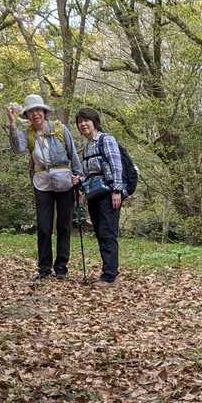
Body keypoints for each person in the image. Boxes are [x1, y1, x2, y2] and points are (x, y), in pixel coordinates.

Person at [7, 94, 83, 280]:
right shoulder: (28, 134)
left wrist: (79, 177)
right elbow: (18, 149)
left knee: (64, 226)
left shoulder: (60, 129)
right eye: (31, 112)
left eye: (38, 110)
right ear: (27, 116)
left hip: (65, 181)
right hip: (42, 182)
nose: (35, 114)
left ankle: (61, 268)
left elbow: (72, 153)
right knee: (43, 226)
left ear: (44, 112)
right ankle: (44, 268)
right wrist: (12, 124)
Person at [74, 106, 124, 284]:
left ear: (94, 122)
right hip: (94, 194)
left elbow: (116, 164)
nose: (83, 124)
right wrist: (79, 180)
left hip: (109, 193)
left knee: (107, 232)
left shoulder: (106, 139)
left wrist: (117, 190)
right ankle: (108, 271)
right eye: (80, 122)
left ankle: (110, 276)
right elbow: (90, 173)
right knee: (100, 232)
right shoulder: (87, 146)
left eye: (86, 120)